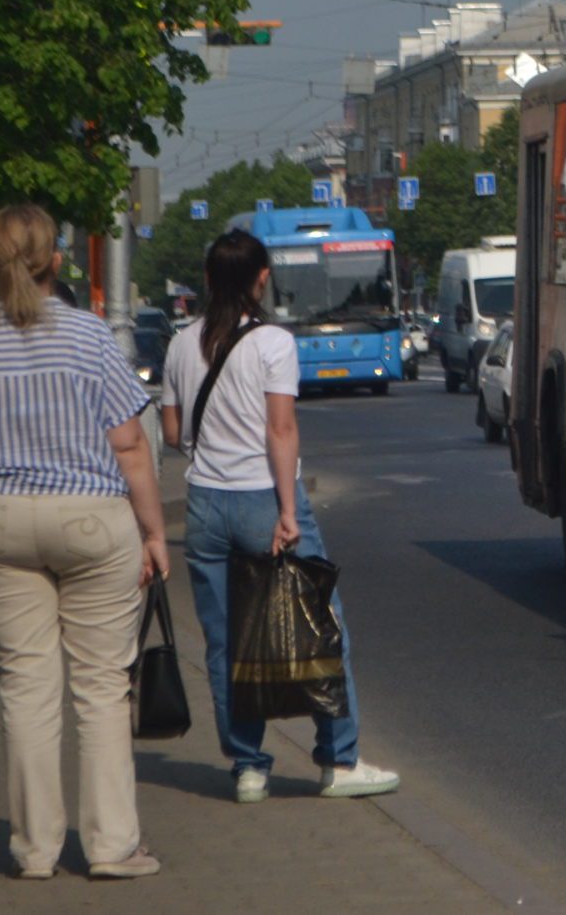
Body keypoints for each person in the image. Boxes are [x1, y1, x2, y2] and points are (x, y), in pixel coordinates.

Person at [159, 230, 398, 804]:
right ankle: (338, 762)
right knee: (321, 624)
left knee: (225, 644)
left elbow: (172, 434)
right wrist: (289, 512)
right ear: (262, 278)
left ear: (209, 280)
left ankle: (248, 768)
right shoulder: (273, 343)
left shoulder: (180, 344)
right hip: (264, 498)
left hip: (204, 506)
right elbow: (281, 429)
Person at [0, 203, 168, 880]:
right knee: (100, 685)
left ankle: (33, 850)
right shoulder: (89, 337)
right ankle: (111, 845)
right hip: (92, 518)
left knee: (25, 685)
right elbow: (131, 446)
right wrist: (153, 532)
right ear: (55, 261)